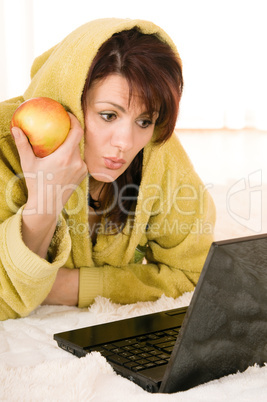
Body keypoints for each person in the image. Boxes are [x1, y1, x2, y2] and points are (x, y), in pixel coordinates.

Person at [0, 18, 216, 320]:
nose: (125, 143)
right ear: (69, 101)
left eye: (144, 121)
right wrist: (45, 203)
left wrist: (68, 286)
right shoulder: (5, 147)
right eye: (108, 115)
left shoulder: (158, 153)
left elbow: (195, 273)